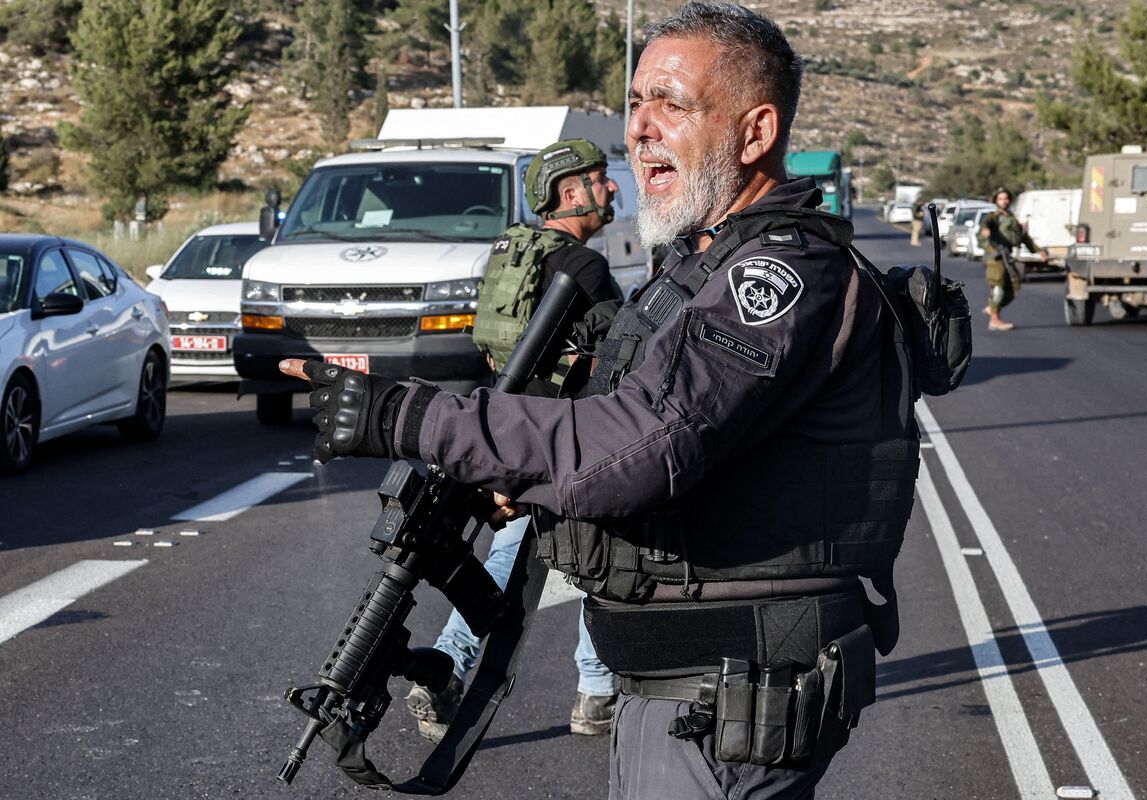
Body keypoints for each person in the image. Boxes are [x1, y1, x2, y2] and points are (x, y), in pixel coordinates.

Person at [282, 3, 919, 798]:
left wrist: (402, 416)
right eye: (635, 103)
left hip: (728, 691)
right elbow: (629, 424)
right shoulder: (696, 262)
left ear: (755, 134)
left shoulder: (778, 274)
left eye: (673, 105)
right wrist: (526, 472)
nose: (641, 130)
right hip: (684, 687)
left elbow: (643, 445)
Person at [404, 139, 623, 743]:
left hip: (508, 423)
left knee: (503, 558)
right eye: (600, 180)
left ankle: (446, 670)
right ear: (570, 193)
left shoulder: (514, 254)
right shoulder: (585, 267)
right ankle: (597, 693)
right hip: (569, 435)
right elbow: (621, 358)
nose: (610, 189)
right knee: (604, 557)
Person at [978, 187, 1047, 331]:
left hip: (1007, 256)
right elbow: (986, 223)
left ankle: (993, 308)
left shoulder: (1011, 217)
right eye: (1001, 199)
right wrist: (986, 230)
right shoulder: (993, 216)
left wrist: (1039, 251)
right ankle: (995, 319)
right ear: (996, 200)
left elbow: (1024, 238)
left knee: (1013, 286)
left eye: (1006, 198)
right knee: (998, 287)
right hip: (995, 256)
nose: (1004, 201)